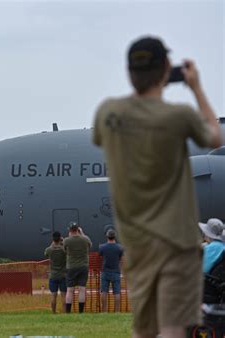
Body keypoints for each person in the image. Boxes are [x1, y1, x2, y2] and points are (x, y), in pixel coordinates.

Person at [93, 36, 222, 338]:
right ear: (166, 68)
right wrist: (196, 87)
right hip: (175, 241)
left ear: (129, 72)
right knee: (173, 326)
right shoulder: (178, 117)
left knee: (145, 325)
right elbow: (215, 136)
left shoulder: (108, 114)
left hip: (137, 240)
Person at [63, 222, 92, 313]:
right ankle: (81, 311)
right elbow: (90, 245)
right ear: (78, 229)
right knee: (82, 289)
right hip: (83, 266)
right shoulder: (85, 239)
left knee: (70, 290)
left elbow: (64, 250)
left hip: (71, 267)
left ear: (70, 230)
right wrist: (82, 233)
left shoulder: (67, 240)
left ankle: (68, 311)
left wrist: (70, 236)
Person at [99, 229, 123, 312]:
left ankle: (104, 311)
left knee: (104, 291)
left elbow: (100, 254)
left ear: (107, 236)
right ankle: (117, 311)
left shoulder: (102, 247)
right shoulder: (119, 247)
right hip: (116, 271)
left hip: (105, 271)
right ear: (114, 237)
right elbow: (120, 257)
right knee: (117, 292)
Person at [44, 231, 67, 314]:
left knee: (54, 295)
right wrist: (63, 241)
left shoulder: (50, 250)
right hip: (63, 275)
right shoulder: (63, 250)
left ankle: (53, 312)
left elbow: (46, 253)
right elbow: (67, 249)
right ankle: (65, 312)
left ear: (53, 239)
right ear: (60, 238)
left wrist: (52, 243)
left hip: (53, 275)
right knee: (64, 296)